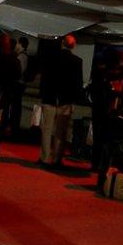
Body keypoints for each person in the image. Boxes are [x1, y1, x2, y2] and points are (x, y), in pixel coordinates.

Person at [37, 35, 83, 168]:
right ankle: (57, 158)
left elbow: (44, 79)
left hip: (50, 97)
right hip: (65, 100)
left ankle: (44, 157)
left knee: (46, 129)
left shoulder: (50, 58)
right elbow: (77, 84)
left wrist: (43, 94)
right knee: (61, 132)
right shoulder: (76, 61)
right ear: (73, 46)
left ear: (62, 43)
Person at [6, 36, 31, 132]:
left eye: (17, 43)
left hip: (18, 84)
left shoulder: (22, 56)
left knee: (15, 104)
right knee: (16, 104)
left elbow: (19, 71)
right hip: (20, 83)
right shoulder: (24, 55)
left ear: (20, 44)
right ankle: (14, 122)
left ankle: (14, 123)